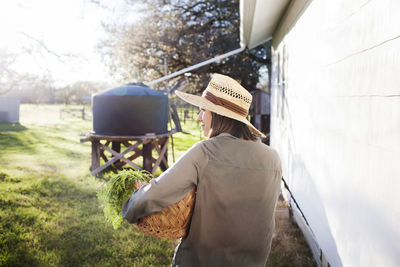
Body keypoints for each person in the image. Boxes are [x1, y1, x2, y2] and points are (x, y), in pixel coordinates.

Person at [122, 73, 282, 267]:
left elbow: (153, 195)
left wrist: (131, 205)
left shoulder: (205, 152)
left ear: (219, 115)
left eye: (203, 111)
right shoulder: (273, 158)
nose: (198, 118)